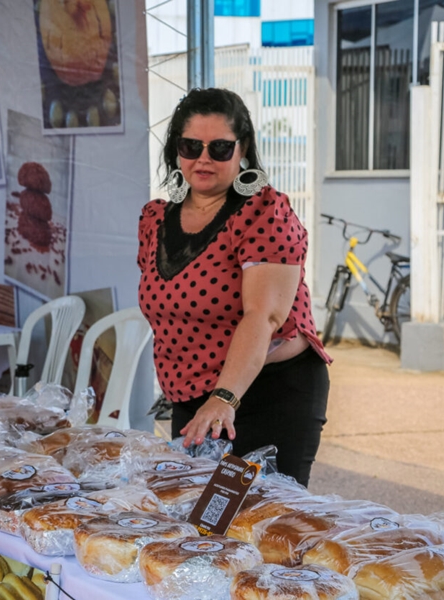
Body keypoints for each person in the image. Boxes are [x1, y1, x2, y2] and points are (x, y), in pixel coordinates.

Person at [138, 88, 331, 487]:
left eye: (220, 148)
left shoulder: (264, 212)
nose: (203, 158)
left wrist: (224, 398)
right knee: (193, 519)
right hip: (192, 396)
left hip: (267, 393)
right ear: (176, 150)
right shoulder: (154, 219)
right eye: (191, 145)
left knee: (254, 521)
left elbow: (264, 315)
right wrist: (199, 397)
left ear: (242, 150)